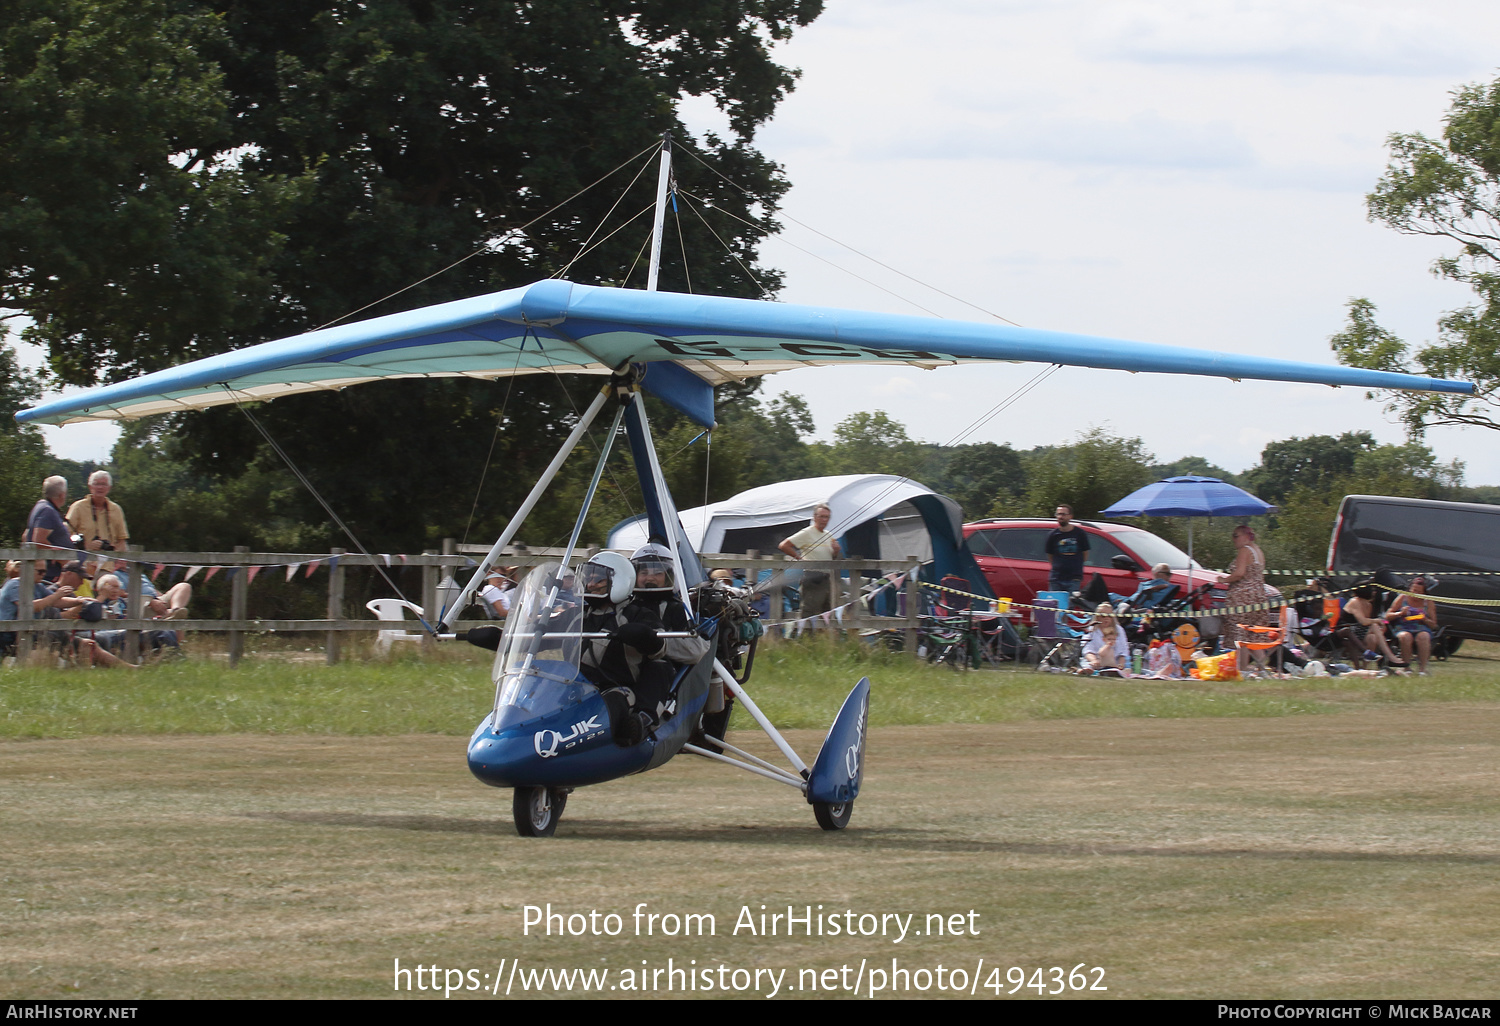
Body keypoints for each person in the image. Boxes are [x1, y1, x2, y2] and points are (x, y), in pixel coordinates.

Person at [570, 551, 672, 745]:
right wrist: (504, 639)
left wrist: (642, 635)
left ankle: (634, 726)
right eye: (588, 577)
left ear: (619, 582)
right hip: (573, 686)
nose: (590, 583)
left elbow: (660, 648)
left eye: (598, 579)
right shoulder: (577, 615)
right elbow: (545, 635)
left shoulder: (637, 614)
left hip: (615, 688)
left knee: (618, 697)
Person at [630, 542, 712, 668]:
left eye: (658, 573)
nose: (650, 578)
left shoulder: (677, 609)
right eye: (644, 572)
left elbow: (697, 650)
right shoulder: (626, 606)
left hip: (660, 672)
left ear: (670, 576)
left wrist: (656, 643)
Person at [1220, 524, 1270, 672]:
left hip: (1243, 598)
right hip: (1260, 596)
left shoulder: (1244, 550)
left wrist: (1224, 580)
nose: (1233, 539)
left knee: (1240, 636)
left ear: (1246, 536)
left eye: (1236, 536)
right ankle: (1262, 669)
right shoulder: (1258, 551)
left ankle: (1242, 670)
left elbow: (1239, 573)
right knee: (1255, 636)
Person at [779, 503, 842, 618]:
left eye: (827, 517)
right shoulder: (807, 532)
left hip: (826, 577)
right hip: (812, 576)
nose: (824, 520)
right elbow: (784, 545)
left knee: (826, 611)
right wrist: (800, 558)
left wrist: (836, 551)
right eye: (821, 516)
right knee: (809, 610)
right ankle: (805, 634)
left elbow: (831, 558)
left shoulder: (829, 535)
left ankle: (822, 635)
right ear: (814, 517)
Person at [1340, 584, 1407, 673]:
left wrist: (1379, 626)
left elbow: (1367, 623)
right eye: (1372, 590)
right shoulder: (1354, 601)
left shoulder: (1368, 604)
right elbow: (1363, 621)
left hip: (1361, 632)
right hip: (1347, 631)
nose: (1374, 592)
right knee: (1374, 625)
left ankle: (1364, 668)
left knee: (1373, 638)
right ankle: (1390, 657)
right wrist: (1378, 621)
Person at [66, 471, 129, 555]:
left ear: (109, 488)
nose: (100, 487)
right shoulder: (78, 507)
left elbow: (122, 540)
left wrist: (115, 554)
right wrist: (86, 546)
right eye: (96, 484)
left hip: (109, 565)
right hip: (83, 563)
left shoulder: (116, 509)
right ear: (90, 486)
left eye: (104, 484)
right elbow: (66, 534)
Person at [1385, 576, 1437, 675]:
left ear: (1424, 593)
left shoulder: (1428, 602)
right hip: (1403, 626)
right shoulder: (1402, 597)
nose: (1415, 594)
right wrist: (1400, 613)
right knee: (1406, 636)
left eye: (1419, 592)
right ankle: (1406, 667)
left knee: (1424, 636)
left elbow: (1434, 624)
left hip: (1421, 627)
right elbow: (1387, 616)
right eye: (1414, 591)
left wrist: (1424, 619)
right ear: (1410, 589)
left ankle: (1422, 669)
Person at [25, 476, 74, 581]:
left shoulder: (41, 507)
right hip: (49, 574)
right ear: (62, 495)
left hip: (49, 571)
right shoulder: (47, 510)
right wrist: (60, 558)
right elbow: (38, 541)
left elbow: (25, 535)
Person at [1044, 504, 1090, 595]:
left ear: (1070, 516)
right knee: (1055, 606)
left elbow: (1085, 555)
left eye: (1064, 514)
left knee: (1070, 607)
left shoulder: (1080, 534)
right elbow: (1050, 556)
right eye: (1058, 514)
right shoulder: (1052, 535)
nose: (1061, 517)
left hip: (1074, 578)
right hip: (1056, 578)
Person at [1082, 601, 1129, 674]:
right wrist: (1094, 660)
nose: (1106, 618)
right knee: (1087, 666)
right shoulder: (1091, 630)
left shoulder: (1119, 630)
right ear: (1097, 617)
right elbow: (1087, 649)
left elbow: (1124, 650)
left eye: (1109, 616)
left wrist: (1121, 664)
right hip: (1095, 662)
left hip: (1114, 662)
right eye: (1103, 616)